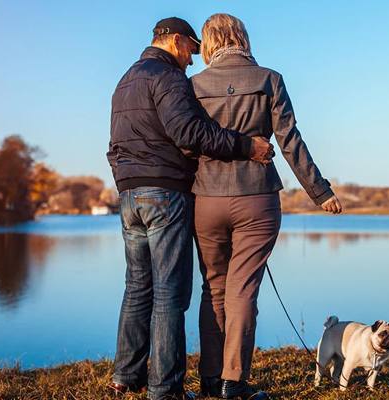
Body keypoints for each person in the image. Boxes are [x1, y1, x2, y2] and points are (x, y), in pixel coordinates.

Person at [106, 17, 274, 400]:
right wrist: (247, 146)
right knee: (170, 291)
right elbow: (189, 133)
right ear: (176, 41)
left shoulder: (126, 80)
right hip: (164, 192)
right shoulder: (168, 78)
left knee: (137, 286)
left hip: (129, 194)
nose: (193, 60)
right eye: (191, 50)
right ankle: (165, 388)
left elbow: (114, 142)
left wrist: (124, 181)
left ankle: (126, 376)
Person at [190, 13, 342, 400]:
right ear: (241, 37)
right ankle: (233, 382)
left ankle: (209, 378)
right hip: (256, 198)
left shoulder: (193, 85)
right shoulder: (269, 79)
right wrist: (320, 192)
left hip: (205, 198)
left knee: (214, 289)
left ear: (209, 42)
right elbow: (290, 141)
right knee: (243, 290)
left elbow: (186, 143)